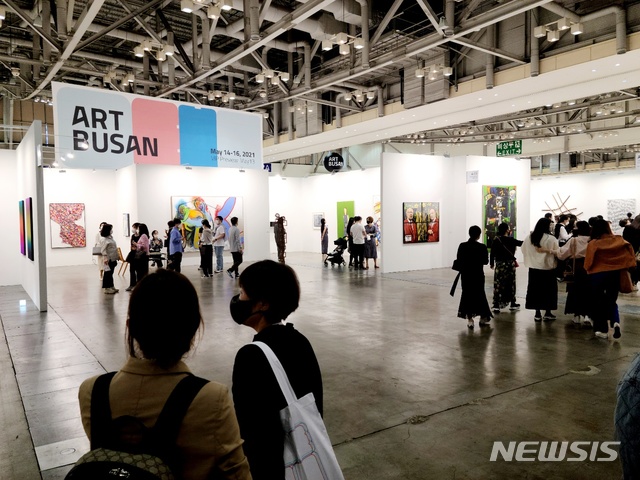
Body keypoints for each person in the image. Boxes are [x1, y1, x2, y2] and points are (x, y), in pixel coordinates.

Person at [78, 270, 251, 480]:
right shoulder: (211, 398)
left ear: (130, 327)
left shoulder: (92, 391)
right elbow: (237, 474)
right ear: (194, 327)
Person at [231, 260, 322, 479]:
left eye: (242, 292)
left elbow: (251, 431)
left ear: (262, 303)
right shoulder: (300, 340)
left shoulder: (251, 356)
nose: (237, 299)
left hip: (272, 468)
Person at [584, 219, 636, 339]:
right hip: (615, 274)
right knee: (611, 300)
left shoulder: (593, 243)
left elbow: (588, 263)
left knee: (598, 302)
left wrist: (588, 270)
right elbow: (629, 251)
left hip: (597, 275)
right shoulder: (619, 240)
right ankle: (616, 322)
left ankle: (602, 330)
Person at [521, 217, 559, 322]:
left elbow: (523, 250)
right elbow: (558, 252)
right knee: (549, 291)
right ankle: (547, 312)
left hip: (534, 270)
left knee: (535, 291)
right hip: (548, 269)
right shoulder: (551, 239)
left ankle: (537, 314)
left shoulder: (529, 237)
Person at [455, 225, 492, 329]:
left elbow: (459, 259)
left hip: (466, 275)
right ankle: (482, 317)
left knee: (467, 296)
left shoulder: (462, 246)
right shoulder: (482, 247)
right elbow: (485, 261)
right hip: (478, 275)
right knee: (480, 295)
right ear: (479, 235)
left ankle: (470, 320)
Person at [557, 221, 592, 326]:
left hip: (576, 268)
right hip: (590, 267)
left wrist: (554, 251)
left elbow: (562, 254)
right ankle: (588, 315)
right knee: (588, 291)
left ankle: (576, 316)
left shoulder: (573, 240)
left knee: (574, 291)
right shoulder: (592, 241)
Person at [489, 222, 523, 313]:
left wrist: (491, 263)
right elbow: (521, 243)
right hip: (509, 265)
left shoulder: (496, 239)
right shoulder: (511, 240)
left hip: (500, 265)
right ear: (507, 230)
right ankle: (512, 303)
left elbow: (492, 253)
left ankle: (496, 304)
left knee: (498, 284)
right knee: (511, 283)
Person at [100, 223, 119, 294]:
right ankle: (106, 288)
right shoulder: (104, 239)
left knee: (111, 273)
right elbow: (103, 250)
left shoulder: (110, 237)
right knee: (107, 273)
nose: (112, 230)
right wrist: (105, 258)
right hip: (108, 259)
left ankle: (111, 286)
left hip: (113, 258)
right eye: (111, 229)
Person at [125, 223, 141, 291]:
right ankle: (132, 284)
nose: (133, 229)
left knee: (138, 270)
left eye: (134, 227)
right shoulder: (133, 236)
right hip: (132, 254)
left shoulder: (141, 236)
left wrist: (136, 245)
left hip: (138, 255)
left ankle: (138, 284)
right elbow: (131, 245)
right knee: (132, 270)